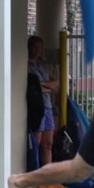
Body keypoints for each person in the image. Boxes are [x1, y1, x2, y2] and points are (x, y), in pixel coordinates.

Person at [27, 36, 59, 167]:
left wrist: (42, 86)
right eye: (34, 47)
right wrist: (48, 86)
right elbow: (32, 87)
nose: (37, 50)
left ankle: (47, 176)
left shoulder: (45, 66)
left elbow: (56, 83)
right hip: (37, 107)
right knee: (37, 141)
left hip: (48, 107)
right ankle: (35, 172)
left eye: (39, 47)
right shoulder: (26, 65)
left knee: (48, 143)